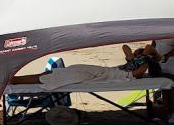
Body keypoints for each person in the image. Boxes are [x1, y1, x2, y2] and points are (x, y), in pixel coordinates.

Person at [9, 45, 156, 89]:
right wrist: (136, 55)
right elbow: (126, 47)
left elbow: (138, 73)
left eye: (138, 53)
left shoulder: (138, 66)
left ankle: (14, 80)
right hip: (100, 71)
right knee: (55, 73)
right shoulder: (132, 62)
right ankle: (14, 80)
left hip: (105, 74)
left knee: (53, 76)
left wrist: (147, 56)